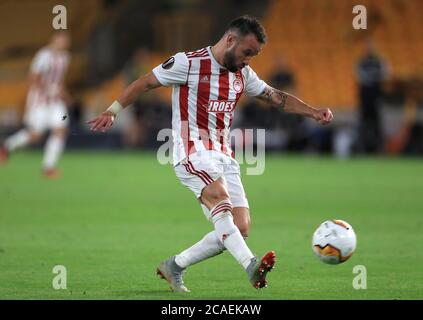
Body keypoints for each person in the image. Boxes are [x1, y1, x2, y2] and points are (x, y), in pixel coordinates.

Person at [88, 15, 333, 292]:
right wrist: (113, 111)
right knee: (219, 198)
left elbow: (276, 97)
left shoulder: (243, 74)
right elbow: (145, 83)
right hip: (190, 150)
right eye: (247, 52)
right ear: (230, 40)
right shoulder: (188, 63)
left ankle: (175, 265)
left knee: (239, 229)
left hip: (224, 155)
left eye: (253, 55)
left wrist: (313, 112)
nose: (248, 60)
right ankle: (251, 265)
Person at [0, 31, 71, 178]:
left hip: (55, 102)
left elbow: (59, 80)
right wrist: (48, 89)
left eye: (66, 40)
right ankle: (6, 146)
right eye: (61, 40)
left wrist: (65, 96)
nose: (63, 43)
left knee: (61, 130)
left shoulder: (65, 57)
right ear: (53, 39)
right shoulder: (43, 56)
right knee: (35, 135)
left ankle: (48, 167)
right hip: (39, 101)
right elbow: (33, 78)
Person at [355, 39, 389, 153]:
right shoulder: (361, 62)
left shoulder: (379, 62)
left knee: (377, 123)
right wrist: (373, 78)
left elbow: (386, 73)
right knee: (363, 123)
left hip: (375, 96)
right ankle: (362, 148)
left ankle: (380, 148)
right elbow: (359, 76)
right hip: (365, 98)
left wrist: (371, 78)